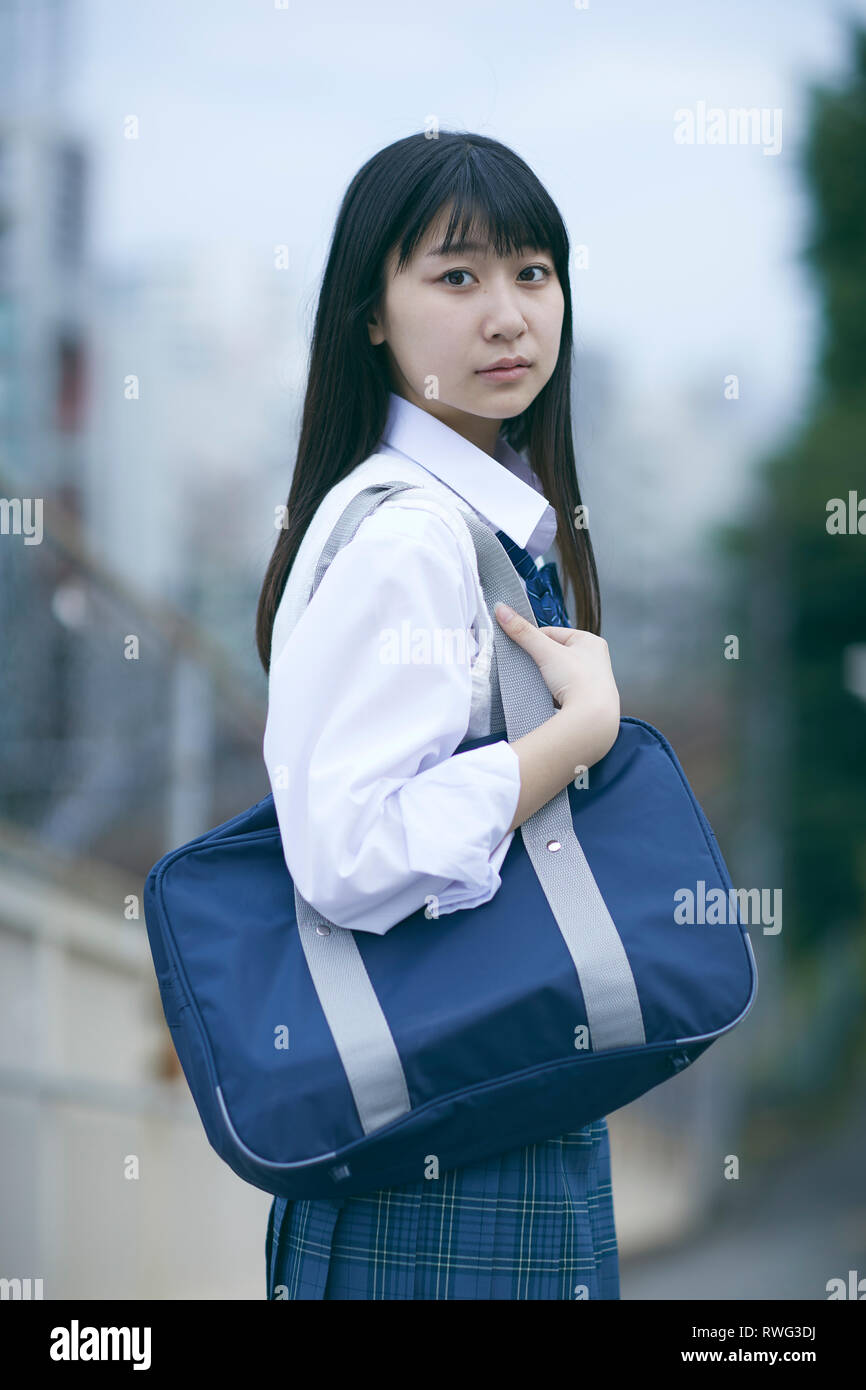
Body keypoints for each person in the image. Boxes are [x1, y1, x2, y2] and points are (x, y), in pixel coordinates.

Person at [256, 130, 622, 1300]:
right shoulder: (414, 532)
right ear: (372, 312)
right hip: (446, 1168)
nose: (508, 316)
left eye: (532, 272)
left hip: (468, 1111)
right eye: (455, 278)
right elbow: (347, 851)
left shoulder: (460, 507)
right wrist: (573, 740)